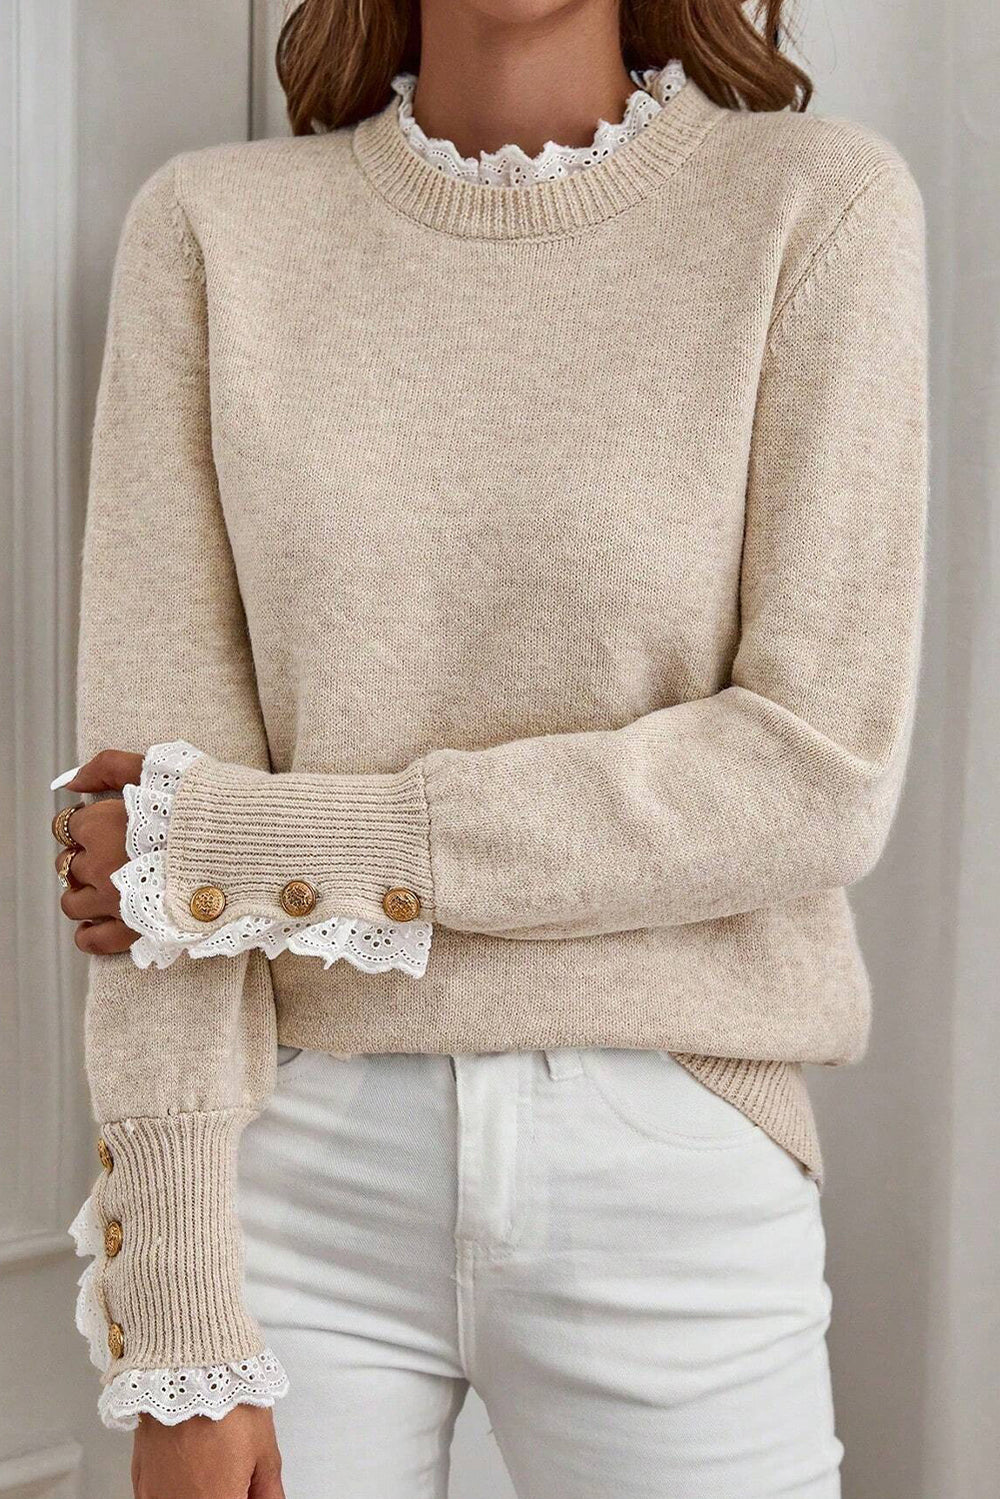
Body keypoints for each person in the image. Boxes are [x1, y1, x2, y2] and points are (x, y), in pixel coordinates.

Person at [52, 1, 928, 1495]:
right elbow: (150, 851)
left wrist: (282, 847)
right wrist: (178, 1324)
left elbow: (812, 775)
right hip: (293, 1173)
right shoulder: (211, 232)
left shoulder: (815, 210)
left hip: (672, 1151)